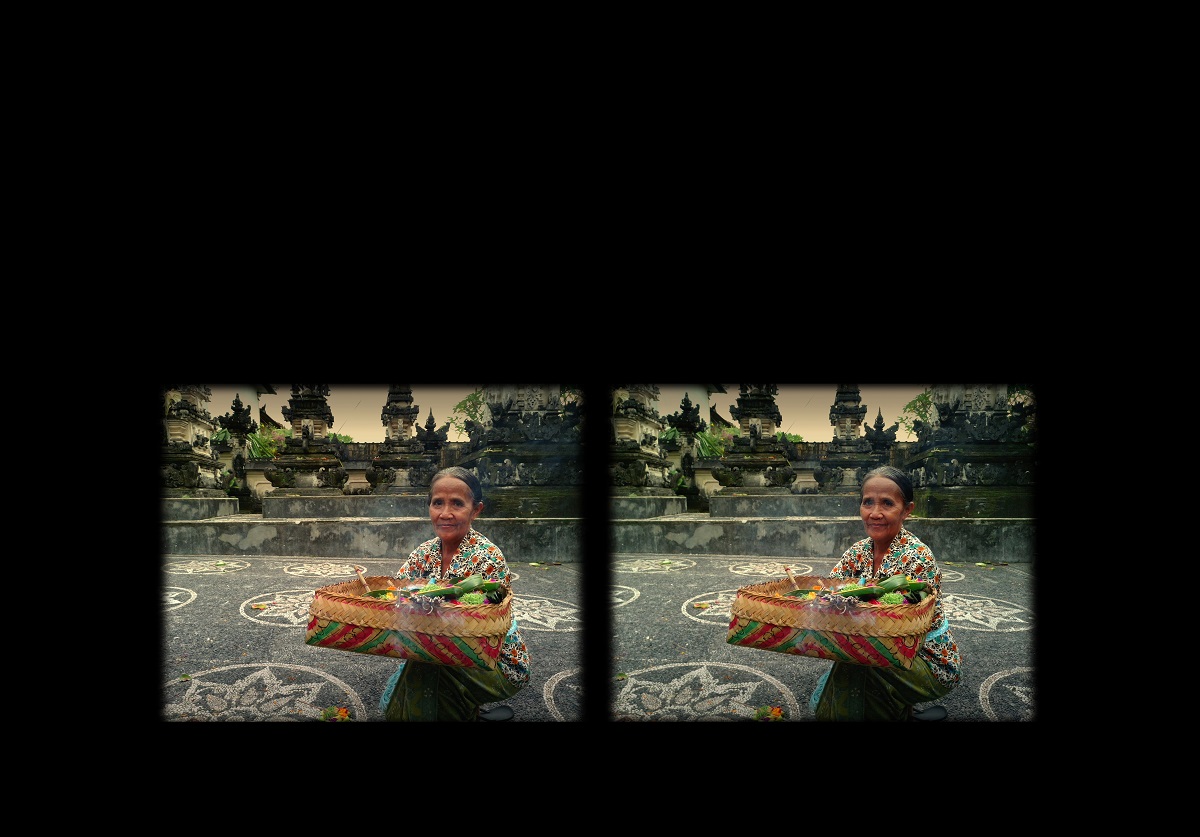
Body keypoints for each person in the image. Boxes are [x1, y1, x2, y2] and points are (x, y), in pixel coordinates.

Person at [810, 465, 962, 722]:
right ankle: (898, 709)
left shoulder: (918, 558)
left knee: (855, 664)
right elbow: (827, 592)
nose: (875, 513)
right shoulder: (857, 552)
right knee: (852, 666)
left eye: (887, 503)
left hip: (924, 659)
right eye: (867, 502)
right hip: (877, 647)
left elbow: (900, 633)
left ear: (907, 510)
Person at [381, 466, 531, 721]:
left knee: (426, 670)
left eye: (457, 504)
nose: (445, 513)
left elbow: (483, 631)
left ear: (476, 510)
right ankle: (462, 707)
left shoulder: (487, 558)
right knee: (405, 689)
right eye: (438, 503)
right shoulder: (423, 553)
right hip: (438, 649)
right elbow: (396, 595)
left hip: (493, 660)